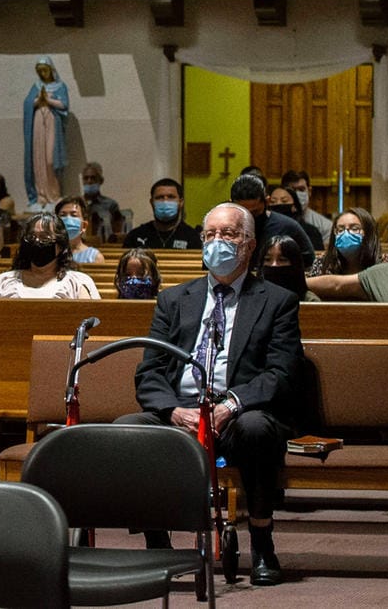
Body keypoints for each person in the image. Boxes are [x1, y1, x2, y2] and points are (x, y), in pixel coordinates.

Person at [120, 202, 303, 586]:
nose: (217, 243)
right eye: (210, 235)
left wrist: (231, 404)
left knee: (257, 428)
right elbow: (150, 371)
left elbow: (281, 373)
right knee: (127, 429)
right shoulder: (174, 300)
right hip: (181, 413)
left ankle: (263, 544)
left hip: (237, 414)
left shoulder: (276, 301)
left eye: (229, 235)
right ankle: (158, 546)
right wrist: (173, 410)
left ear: (250, 245)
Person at [0, 214, 100, 299]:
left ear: (60, 245)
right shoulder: (3, 282)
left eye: (45, 237)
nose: (37, 241)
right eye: (31, 237)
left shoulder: (78, 283)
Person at [231, 174, 316, 259]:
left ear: (267, 201)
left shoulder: (287, 227)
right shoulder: (225, 228)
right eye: (243, 213)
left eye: (255, 212)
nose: (249, 218)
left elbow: (309, 260)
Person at [23, 56, 71, 206]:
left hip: (52, 121)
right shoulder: (36, 86)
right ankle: (41, 195)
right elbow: (28, 104)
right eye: (40, 71)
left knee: (50, 160)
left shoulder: (60, 86)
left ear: (51, 70)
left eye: (45, 70)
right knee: (39, 159)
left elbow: (64, 105)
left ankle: (54, 194)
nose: (43, 74)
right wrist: (38, 100)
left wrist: (48, 100)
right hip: (38, 122)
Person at [122, 178, 199, 250]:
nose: (165, 201)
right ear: (152, 202)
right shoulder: (136, 236)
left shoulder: (193, 237)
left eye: (171, 197)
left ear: (181, 202)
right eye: (160, 197)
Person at [313, 207, 378, 277]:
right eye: (340, 230)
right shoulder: (323, 262)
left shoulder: (385, 262)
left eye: (354, 229)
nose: (346, 234)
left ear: (368, 232)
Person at [264, 183, 325, 258]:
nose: (278, 204)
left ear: (294, 206)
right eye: (273, 202)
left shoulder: (310, 231)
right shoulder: (264, 230)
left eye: (284, 201)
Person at [78, 162, 127, 242]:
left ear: (101, 180)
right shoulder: (76, 203)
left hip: (103, 246)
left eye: (93, 178)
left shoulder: (111, 204)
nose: (89, 181)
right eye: (86, 178)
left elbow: (118, 233)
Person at [281, 170, 333, 243]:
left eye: (301, 189)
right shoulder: (274, 222)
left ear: (309, 191)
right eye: (292, 190)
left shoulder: (325, 226)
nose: (297, 194)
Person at [260, 235, 315, 302]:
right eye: (267, 259)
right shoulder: (251, 298)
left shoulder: (310, 301)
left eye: (282, 260)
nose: (274, 265)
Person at [55, 197, 104, 265]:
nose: (68, 219)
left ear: (84, 226)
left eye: (74, 215)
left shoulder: (94, 257)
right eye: (63, 215)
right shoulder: (49, 255)